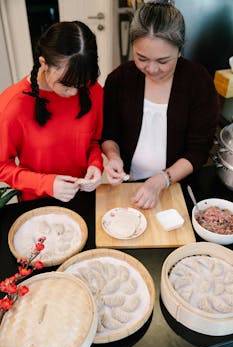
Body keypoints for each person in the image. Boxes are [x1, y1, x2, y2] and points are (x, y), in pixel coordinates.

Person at [102, 0, 219, 209]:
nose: (152, 68)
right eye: (142, 58)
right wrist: (113, 157)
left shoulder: (198, 82)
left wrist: (162, 180)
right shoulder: (119, 80)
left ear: (180, 50)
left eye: (163, 61)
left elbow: (199, 150)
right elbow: (109, 134)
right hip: (129, 185)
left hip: (178, 186)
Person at [0, 21, 103, 202]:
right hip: (37, 203)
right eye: (65, 84)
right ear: (44, 63)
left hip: (84, 196)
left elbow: (94, 140)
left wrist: (96, 164)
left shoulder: (93, 90)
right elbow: (2, 166)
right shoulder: (13, 105)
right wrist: (46, 184)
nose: (73, 93)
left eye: (80, 85)